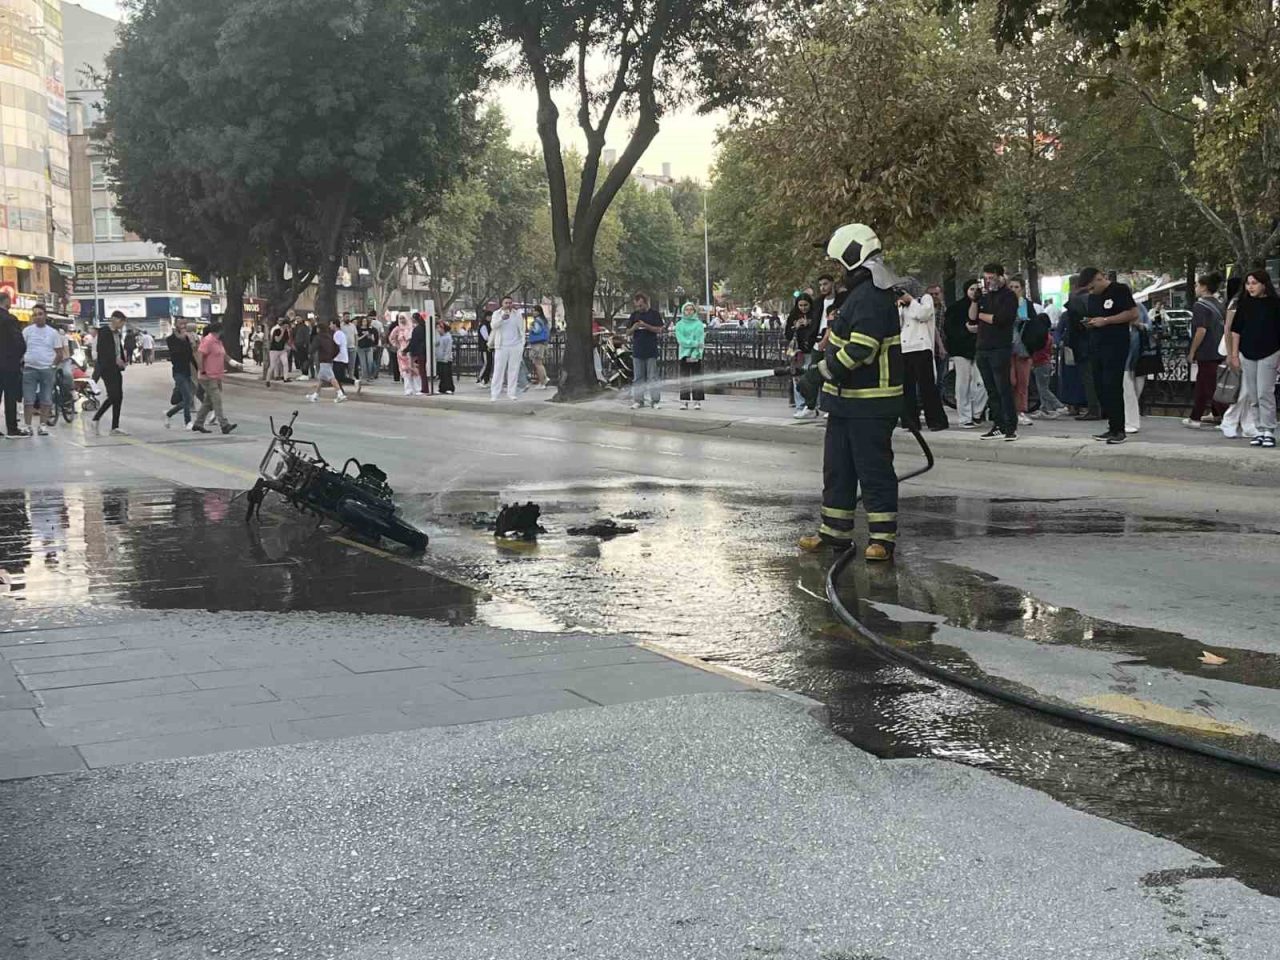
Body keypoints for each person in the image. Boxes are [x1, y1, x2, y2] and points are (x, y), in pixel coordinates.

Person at [796, 223, 904, 562]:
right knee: (838, 470)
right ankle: (834, 532)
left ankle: (882, 539)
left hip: (871, 402)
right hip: (846, 402)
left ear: (852, 256)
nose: (837, 269)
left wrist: (819, 374)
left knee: (873, 472)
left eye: (838, 262)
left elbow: (862, 350)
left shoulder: (872, 294)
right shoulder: (860, 294)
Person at [1080, 267, 1139, 445]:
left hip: (1115, 345)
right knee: (1100, 386)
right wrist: (1090, 322)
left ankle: (1119, 429)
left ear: (1099, 278)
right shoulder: (1093, 297)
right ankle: (1111, 426)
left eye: (1092, 287)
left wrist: (1106, 321)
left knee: (1112, 385)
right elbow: (1095, 316)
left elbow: (1132, 313)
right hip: (1096, 344)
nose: (1091, 292)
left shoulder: (1119, 290)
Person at [1229, 269, 1280, 448]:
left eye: (1254, 283)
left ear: (1264, 284)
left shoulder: (1275, 304)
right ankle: (1259, 429)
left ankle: (1269, 430)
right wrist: (1234, 354)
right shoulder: (1244, 304)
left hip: (1270, 352)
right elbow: (1236, 331)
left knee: (1264, 392)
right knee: (1253, 394)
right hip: (1247, 353)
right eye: (1248, 283)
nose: (1250, 287)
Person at [969, 263, 1018, 441]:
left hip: (1000, 347)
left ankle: (1010, 426)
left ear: (1000, 276)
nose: (989, 281)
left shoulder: (1008, 296)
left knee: (1003, 388)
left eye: (991, 278)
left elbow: (1001, 319)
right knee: (991, 389)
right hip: (983, 347)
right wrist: (975, 301)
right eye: (986, 278)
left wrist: (983, 316)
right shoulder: (985, 296)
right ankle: (998, 424)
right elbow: (972, 317)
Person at [898, 280, 947, 431]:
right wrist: (899, 307)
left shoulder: (924, 299)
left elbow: (923, 315)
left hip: (921, 347)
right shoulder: (901, 305)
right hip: (905, 347)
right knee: (907, 387)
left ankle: (936, 420)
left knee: (927, 385)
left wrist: (911, 301)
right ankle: (910, 421)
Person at [1184, 273, 1227, 428]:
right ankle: (1202, 416)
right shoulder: (1219, 304)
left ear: (1204, 287)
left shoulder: (1200, 306)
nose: (1195, 288)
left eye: (1197, 285)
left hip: (1206, 351)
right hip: (1219, 350)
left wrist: (1192, 351)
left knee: (1210, 387)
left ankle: (1226, 417)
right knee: (1204, 384)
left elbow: (1201, 330)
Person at [1218, 277, 1258, 440]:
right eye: (1249, 284)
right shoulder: (1236, 303)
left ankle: (1248, 424)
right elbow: (1228, 329)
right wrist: (1230, 353)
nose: (1251, 287)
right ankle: (1229, 421)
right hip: (1239, 349)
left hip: (1254, 349)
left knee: (1251, 391)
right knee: (1242, 390)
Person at [944, 280, 986, 428]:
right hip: (960, 349)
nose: (974, 292)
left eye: (977, 289)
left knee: (982, 382)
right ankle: (964, 416)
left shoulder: (985, 306)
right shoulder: (956, 308)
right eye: (971, 289)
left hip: (980, 348)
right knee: (963, 383)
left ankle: (976, 412)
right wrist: (965, 330)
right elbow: (949, 329)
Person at [20, 304, 64, 437]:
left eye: (40, 314)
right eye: (35, 314)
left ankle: (43, 425)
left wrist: (53, 366)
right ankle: (28, 426)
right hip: (29, 369)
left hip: (47, 369)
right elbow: (21, 348)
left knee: (46, 398)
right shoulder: (27, 331)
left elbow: (59, 353)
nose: (37, 317)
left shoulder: (53, 333)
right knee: (28, 399)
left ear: (45, 315)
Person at [191, 321, 239, 435]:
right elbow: (200, 355)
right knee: (217, 400)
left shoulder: (218, 342)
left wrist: (234, 363)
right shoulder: (208, 340)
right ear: (220, 330)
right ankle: (224, 424)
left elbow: (224, 355)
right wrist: (202, 369)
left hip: (217, 376)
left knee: (208, 402)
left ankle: (198, 423)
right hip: (208, 376)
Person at [91, 311, 128, 435]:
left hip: (116, 368)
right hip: (107, 368)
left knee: (119, 397)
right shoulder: (104, 332)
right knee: (113, 396)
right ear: (115, 320)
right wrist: (115, 360)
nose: (122, 325)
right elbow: (103, 351)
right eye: (122, 323)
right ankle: (96, 418)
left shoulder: (117, 334)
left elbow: (118, 348)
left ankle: (115, 427)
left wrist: (122, 360)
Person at [627, 292, 664, 410]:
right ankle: (638, 400)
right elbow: (627, 332)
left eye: (641, 305)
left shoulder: (654, 314)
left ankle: (655, 400)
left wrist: (646, 325)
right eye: (637, 306)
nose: (639, 308)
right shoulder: (634, 315)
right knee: (638, 377)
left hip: (651, 349)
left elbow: (659, 329)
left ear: (646, 303)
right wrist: (634, 327)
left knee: (652, 377)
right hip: (638, 350)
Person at [785, 293, 820, 419]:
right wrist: (796, 327)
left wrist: (809, 325)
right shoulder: (793, 316)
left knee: (811, 378)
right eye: (801, 305)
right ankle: (800, 406)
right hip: (797, 353)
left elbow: (817, 332)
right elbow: (788, 334)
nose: (803, 308)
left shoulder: (815, 316)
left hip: (811, 351)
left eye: (806, 305)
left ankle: (813, 405)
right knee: (797, 379)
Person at [164, 319, 199, 429]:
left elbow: (190, 355)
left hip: (187, 371)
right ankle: (187, 422)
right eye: (181, 324)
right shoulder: (171, 339)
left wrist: (198, 368)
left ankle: (169, 414)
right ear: (176, 325)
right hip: (178, 372)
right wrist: (182, 340)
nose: (183, 326)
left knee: (187, 398)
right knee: (187, 397)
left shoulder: (186, 338)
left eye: (185, 324)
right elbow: (175, 353)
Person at [489, 297, 525, 401]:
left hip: (515, 345)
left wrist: (522, 343)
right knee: (498, 370)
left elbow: (521, 329)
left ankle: (511, 393)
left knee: (514, 370)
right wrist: (502, 319)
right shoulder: (496, 313)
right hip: (501, 346)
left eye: (510, 303)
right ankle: (494, 394)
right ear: (502, 303)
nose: (508, 305)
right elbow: (493, 326)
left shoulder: (517, 314)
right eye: (506, 303)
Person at [306, 320, 348, 404]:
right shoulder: (330, 337)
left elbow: (313, 348)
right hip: (329, 359)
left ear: (319, 329)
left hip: (323, 359)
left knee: (331, 378)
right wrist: (332, 356)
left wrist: (309, 352)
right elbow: (337, 348)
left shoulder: (318, 338)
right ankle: (315, 395)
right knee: (321, 379)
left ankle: (340, 394)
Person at [674, 302, 706, 410]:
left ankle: (697, 401)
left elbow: (700, 340)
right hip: (684, 354)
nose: (689, 311)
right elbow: (681, 340)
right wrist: (693, 344)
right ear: (683, 311)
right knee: (684, 378)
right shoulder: (679, 325)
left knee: (697, 378)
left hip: (696, 355)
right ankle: (684, 401)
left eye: (691, 309)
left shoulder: (698, 324)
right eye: (687, 309)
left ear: (694, 311)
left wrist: (695, 353)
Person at [0, 292, 24, 438]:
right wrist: (19, 356)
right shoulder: (10, 319)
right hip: (9, 364)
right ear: (6, 301)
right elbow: (18, 341)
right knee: (10, 396)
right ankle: (12, 429)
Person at [389, 314, 416, 394]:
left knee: (413, 370)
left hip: (411, 351)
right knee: (405, 371)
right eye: (400, 318)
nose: (402, 320)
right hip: (402, 352)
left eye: (403, 318)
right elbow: (391, 338)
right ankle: (408, 389)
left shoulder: (412, 328)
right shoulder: (397, 329)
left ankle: (415, 388)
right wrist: (397, 345)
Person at [527, 306, 551, 388]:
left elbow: (537, 330)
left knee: (537, 363)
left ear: (538, 312)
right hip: (542, 343)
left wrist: (531, 328)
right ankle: (543, 380)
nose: (533, 312)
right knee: (539, 363)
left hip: (536, 343)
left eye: (534, 311)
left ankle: (543, 381)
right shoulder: (544, 321)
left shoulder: (537, 321)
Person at [406, 313, 429, 394]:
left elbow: (414, 342)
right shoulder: (424, 327)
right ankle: (424, 388)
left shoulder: (418, 329)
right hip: (423, 351)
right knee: (422, 370)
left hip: (419, 352)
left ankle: (424, 389)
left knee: (421, 371)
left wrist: (408, 350)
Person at [265, 315, 289, 382]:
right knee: (272, 365)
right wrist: (282, 332)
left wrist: (287, 347)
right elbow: (277, 340)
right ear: (283, 325)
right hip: (274, 350)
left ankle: (285, 378)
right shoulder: (276, 330)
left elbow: (286, 341)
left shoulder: (286, 332)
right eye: (285, 326)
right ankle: (268, 379)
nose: (286, 327)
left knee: (285, 363)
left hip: (282, 350)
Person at [435, 320, 455, 394]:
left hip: (446, 359)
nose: (438, 330)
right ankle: (442, 388)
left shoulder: (447, 337)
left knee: (447, 374)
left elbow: (448, 349)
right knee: (442, 374)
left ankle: (449, 387)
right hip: (440, 358)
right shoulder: (440, 337)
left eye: (439, 328)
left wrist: (446, 358)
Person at [356, 315, 378, 382]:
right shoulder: (358, 329)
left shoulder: (371, 329)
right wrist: (364, 335)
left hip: (369, 347)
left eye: (365, 321)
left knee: (370, 362)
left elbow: (374, 338)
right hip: (360, 347)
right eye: (363, 321)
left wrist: (370, 336)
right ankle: (364, 376)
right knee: (363, 363)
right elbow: (357, 339)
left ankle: (370, 375)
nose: (364, 322)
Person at [332, 316, 352, 385]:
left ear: (334, 325)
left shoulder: (337, 334)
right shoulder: (341, 333)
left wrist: (332, 355)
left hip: (339, 358)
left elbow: (336, 346)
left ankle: (354, 382)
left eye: (331, 324)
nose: (330, 326)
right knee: (339, 377)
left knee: (339, 377)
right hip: (342, 357)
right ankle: (340, 389)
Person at [476, 310, 493, 385]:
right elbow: (486, 337)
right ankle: (481, 379)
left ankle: (486, 379)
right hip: (484, 348)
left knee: (489, 363)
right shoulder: (483, 326)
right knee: (486, 363)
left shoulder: (488, 325)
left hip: (488, 347)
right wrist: (492, 340)